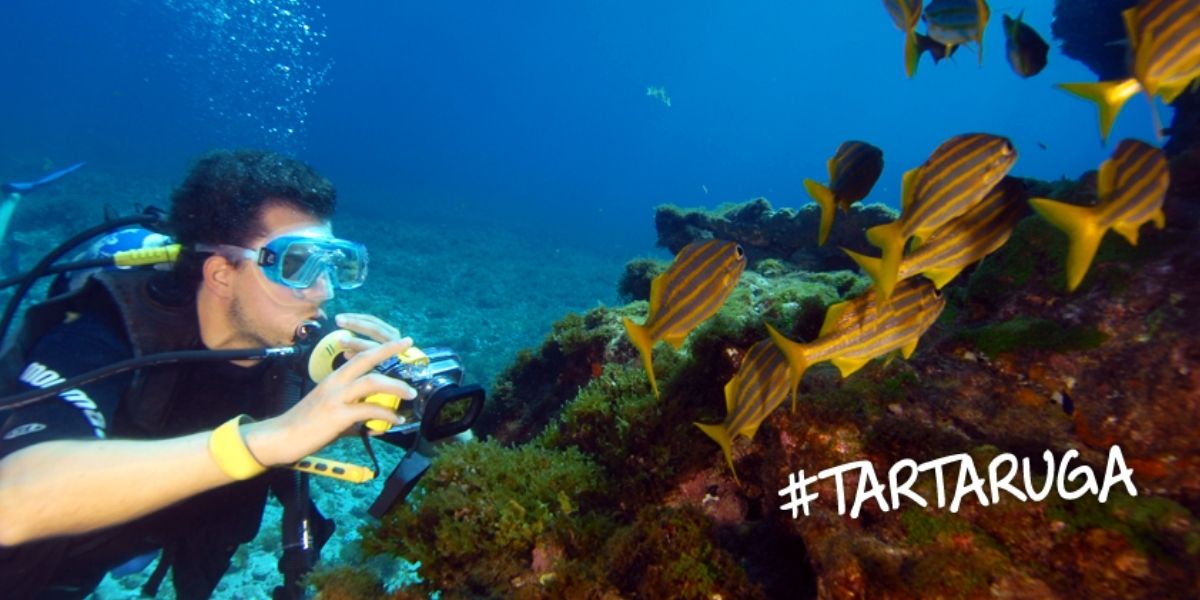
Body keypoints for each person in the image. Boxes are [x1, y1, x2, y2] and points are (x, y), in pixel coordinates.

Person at [0, 149, 415, 598]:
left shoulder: (295, 353)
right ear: (220, 274)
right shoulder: (110, 331)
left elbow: (441, 436)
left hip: (157, 535)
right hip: (53, 562)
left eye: (335, 264)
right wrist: (271, 438)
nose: (325, 289)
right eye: (298, 265)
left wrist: (415, 397)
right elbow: (12, 502)